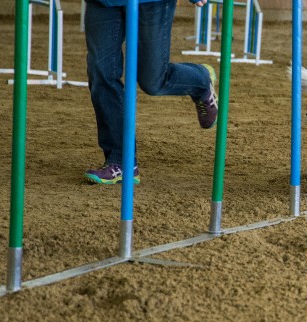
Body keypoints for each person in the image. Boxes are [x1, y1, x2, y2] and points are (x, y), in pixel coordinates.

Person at [83, 0, 218, 184]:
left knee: (153, 81)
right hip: (104, 2)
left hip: (152, 2)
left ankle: (200, 81)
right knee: (101, 73)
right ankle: (121, 161)